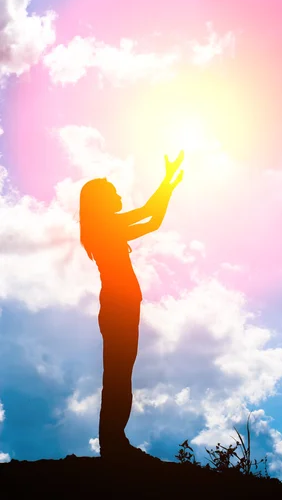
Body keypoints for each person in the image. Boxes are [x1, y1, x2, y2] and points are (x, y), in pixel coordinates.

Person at [79, 150, 184, 460]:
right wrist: (166, 181)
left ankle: (114, 440)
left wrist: (169, 188)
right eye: (112, 193)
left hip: (122, 305)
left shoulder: (109, 227)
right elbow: (149, 211)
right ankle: (112, 444)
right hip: (117, 306)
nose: (118, 195)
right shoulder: (105, 226)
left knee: (120, 374)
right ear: (101, 202)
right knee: (117, 375)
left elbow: (153, 222)